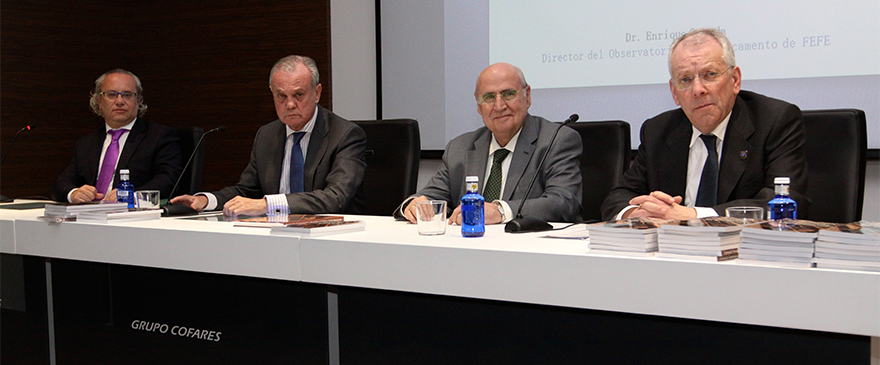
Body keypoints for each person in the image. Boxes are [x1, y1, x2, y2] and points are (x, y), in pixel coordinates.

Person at [601, 28, 809, 221]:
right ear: (674, 93)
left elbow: (782, 201)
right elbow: (619, 197)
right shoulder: (658, 130)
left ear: (735, 80)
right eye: (685, 79)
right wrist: (638, 213)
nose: (698, 89)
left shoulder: (774, 120)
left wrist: (693, 215)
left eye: (709, 75)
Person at [170, 55, 366, 216]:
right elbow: (246, 191)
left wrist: (267, 204)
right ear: (272, 94)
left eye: (298, 95)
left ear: (317, 93)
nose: (289, 104)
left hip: (330, 237)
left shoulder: (345, 135)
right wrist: (205, 200)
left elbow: (335, 198)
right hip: (275, 235)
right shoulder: (267, 135)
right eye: (281, 96)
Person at [395, 62, 583, 225]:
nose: (499, 106)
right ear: (478, 105)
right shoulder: (460, 148)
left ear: (527, 96)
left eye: (508, 94)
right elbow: (431, 197)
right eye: (489, 97)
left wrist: (500, 211)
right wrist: (413, 205)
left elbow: (564, 202)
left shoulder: (556, 140)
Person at [52, 69, 182, 203]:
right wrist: (74, 193)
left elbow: (169, 179)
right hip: (89, 215)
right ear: (99, 101)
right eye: (112, 94)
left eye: (127, 95)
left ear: (138, 101)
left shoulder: (159, 136)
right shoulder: (87, 143)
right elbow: (62, 183)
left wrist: (132, 196)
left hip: (132, 216)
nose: (119, 101)